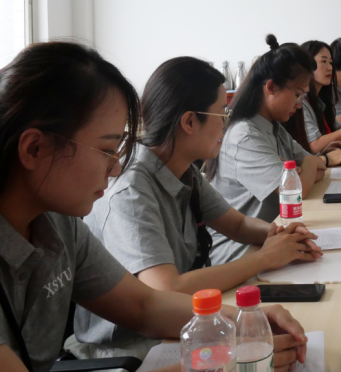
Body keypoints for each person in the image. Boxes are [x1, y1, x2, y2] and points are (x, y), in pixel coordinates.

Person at [0, 42, 309, 372]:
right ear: (34, 149)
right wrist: (217, 363)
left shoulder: (60, 224)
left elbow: (144, 305)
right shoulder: (129, 190)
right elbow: (162, 290)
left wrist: (245, 320)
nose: (115, 168)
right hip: (118, 352)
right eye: (106, 149)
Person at [70, 57, 322, 359]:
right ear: (189, 122)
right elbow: (167, 288)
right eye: (222, 113)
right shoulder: (131, 190)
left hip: (176, 319)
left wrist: (281, 235)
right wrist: (265, 258)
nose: (226, 124)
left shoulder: (183, 170)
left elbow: (238, 225)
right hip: (127, 346)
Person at [208, 35, 341, 265]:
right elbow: (298, 191)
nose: (299, 104)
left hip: (273, 235)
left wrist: (304, 168)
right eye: (297, 95)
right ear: (271, 87)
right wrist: (307, 165)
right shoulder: (245, 136)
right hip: (241, 250)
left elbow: (315, 170)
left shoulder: (273, 126)